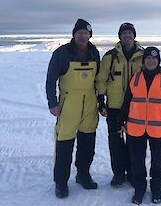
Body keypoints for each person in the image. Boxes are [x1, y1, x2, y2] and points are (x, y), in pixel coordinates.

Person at [46, 19, 100, 198]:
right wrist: (53, 103)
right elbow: (51, 79)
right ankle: (61, 182)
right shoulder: (62, 53)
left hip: (90, 104)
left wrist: (101, 100)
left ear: (90, 35)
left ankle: (83, 175)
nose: (83, 36)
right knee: (64, 144)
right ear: (74, 34)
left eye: (86, 33)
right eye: (79, 32)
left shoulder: (94, 52)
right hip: (69, 104)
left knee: (87, 143)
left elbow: (98, 79)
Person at [119, 47, 161, 205]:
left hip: (158, 130)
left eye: (154, 59)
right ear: (143, 61)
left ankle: (156, 188)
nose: (151, 61)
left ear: (158, 61)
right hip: (135, 128)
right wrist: (121, 121)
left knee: (158, 161)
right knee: (137, 161)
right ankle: (139, 188)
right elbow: (127, 101)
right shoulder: (136, 78)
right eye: (148, 59)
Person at [96, 22, 143, 187]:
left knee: (133, 142)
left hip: (136, 107)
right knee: (115, 142)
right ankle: (118, 174)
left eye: (130, 33)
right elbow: (101, 79)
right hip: (115, 107)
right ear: (120, 36)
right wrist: (101, 100)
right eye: (124, 33)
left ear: (134, 36)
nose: (127, 36)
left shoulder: (143, 56)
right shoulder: (110, 56)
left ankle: (131, 173)